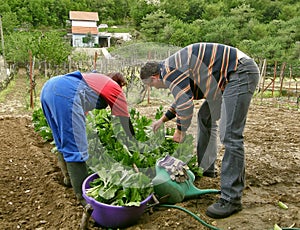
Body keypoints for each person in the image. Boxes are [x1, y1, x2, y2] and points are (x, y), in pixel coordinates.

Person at [140, 42, 260, 219]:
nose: (154, 88)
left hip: (239, 73)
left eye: (151, 85)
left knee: (231, 135)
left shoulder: (169, 70)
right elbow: (182, 97)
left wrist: (180, 131)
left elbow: (185, 103)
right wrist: (162, 120)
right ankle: (207, 167)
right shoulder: (172, 68)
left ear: (155, 77)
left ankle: (231, 199)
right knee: (205, 117)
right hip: (224, 81)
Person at [40, 71, 134, 206]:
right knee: (76, 147)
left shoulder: (92, 81)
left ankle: (69, 179)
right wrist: (133, 144)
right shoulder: (113, 86)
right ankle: (84, 198)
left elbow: (81, 112)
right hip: (65, 94)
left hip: (48, 89)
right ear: (118, 83)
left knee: (62, 139)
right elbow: (125, 121)